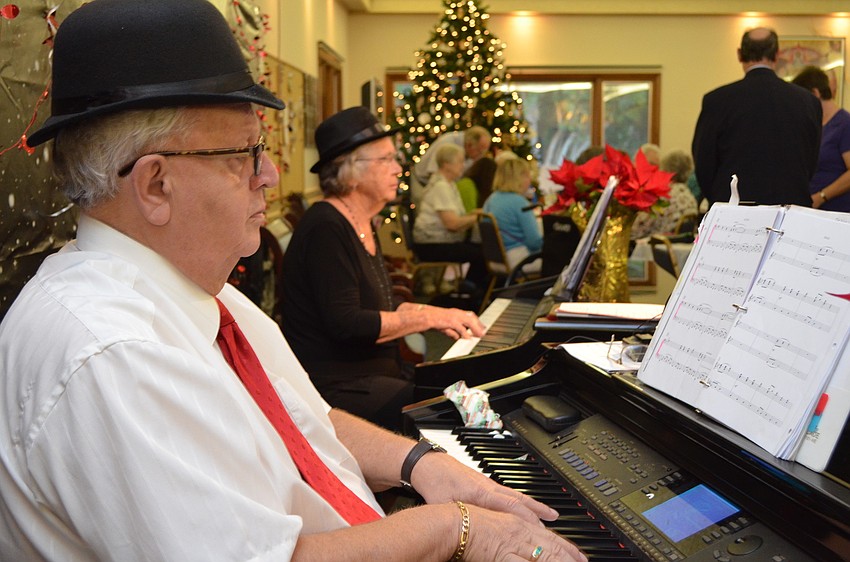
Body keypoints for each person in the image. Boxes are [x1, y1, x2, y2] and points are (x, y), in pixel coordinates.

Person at [0, 1, 589, 561]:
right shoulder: (111, 352)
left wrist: (423, 464)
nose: (271, 173)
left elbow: (309, 423)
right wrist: (453, 529)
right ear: (156, 184)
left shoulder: (204, 296)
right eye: (244, 154)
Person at [281, 106, 485, 431]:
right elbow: (347, 324)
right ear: (351, 170)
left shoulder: (361, 220)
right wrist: (427, 317)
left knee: (468, 396)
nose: (398, 167)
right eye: (386, 159)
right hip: (338, 388)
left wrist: (443, 314)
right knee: (456, 418)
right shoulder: (325, 226)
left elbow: (383, 309)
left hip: (375, 375)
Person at [691, 27, 822, 206]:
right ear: (777, 55)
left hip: (734, 212)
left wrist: (720, 198)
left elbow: (704, 164)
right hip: (790, 210)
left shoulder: (717, 101)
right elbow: (810, 161)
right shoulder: (808, 101)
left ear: (739, 54)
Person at [413, 143, 487, 290]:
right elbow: (452, 224)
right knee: (483, 254)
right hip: (432, 244)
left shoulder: (449, 185)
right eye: (459, 161)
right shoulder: (441, 187)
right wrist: (476, 217)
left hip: (437, 241)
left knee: (480, 249)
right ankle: (475, 294)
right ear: (447, 165)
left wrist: (473, 214)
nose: (463, 165)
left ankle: (472, 290)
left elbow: (455, 218)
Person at [792, 65, 850, 212]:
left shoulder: (844, 123)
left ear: (815, 93)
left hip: (837, 211)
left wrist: (821, 196)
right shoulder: (816, 124)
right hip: (812, 209)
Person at [483, 158, 543, 270]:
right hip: (519, 260)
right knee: (559, 262)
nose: (529, 179)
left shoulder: (491, 199)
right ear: (518, 178)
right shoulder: (520, 203)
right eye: (526, 175)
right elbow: (534, 242)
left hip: (496, 261)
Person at [411, 126, 491, 204]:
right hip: (422, 183)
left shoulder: (470, 151)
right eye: (480, 151)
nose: (480, 156)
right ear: (469, 145)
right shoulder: (447, 144)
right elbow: (435, 174)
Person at [631, 150, 699, 239]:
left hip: (656, 246)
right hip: (677, 246)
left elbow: (638, 229)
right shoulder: (688, 194)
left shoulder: (665, 195)